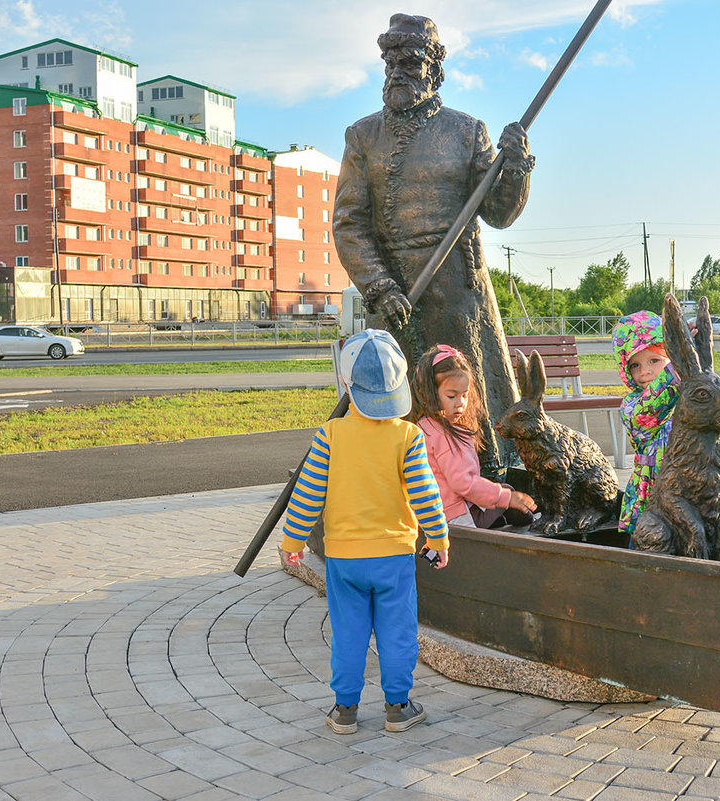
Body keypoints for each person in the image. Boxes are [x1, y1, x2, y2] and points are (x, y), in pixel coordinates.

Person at [333, 13, 535, 480]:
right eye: (390, 63)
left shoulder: (467, 131)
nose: (397, 72)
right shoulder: (363, 136)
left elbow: (499, 214)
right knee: (401, 403)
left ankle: (490, 484)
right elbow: (349, 224)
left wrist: (516, 168)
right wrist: (380, 287)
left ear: (434, 70)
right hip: (398, 294)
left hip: (461, 292)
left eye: (410, 62)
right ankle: (403, 487)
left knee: (470, 399)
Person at [279, 328, 448, 735]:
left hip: (344, 559)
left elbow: (308, 494)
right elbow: (426, 493)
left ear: (346, 384)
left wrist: (292, 542)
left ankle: (345, 710)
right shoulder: (407, 436)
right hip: (393, 557)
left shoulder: (330, 435)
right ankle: (397, 706)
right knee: (397, 631)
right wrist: (437, 538)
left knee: (349, 633)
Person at [612, 311, 720, 541]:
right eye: (635, 365)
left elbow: (718, 439)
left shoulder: (689, 397)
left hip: (698, 492)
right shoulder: (633, 405)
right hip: (656, 494)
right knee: (653, 537)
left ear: (669, 357)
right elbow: (649, 410)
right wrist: (677, 369)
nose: (645, 372)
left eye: (654, 360)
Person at [411, 344, 538, 528]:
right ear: (430, 394)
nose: (460, 403)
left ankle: (500, 520)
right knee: (507, 492)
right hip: (456, 519)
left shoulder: (424, 426)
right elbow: (464, 484)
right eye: (452, 396)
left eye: (464, 395)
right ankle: (531, 520)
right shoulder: (445, 435)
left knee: (499, 495)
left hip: (433, 513)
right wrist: (507, 498)